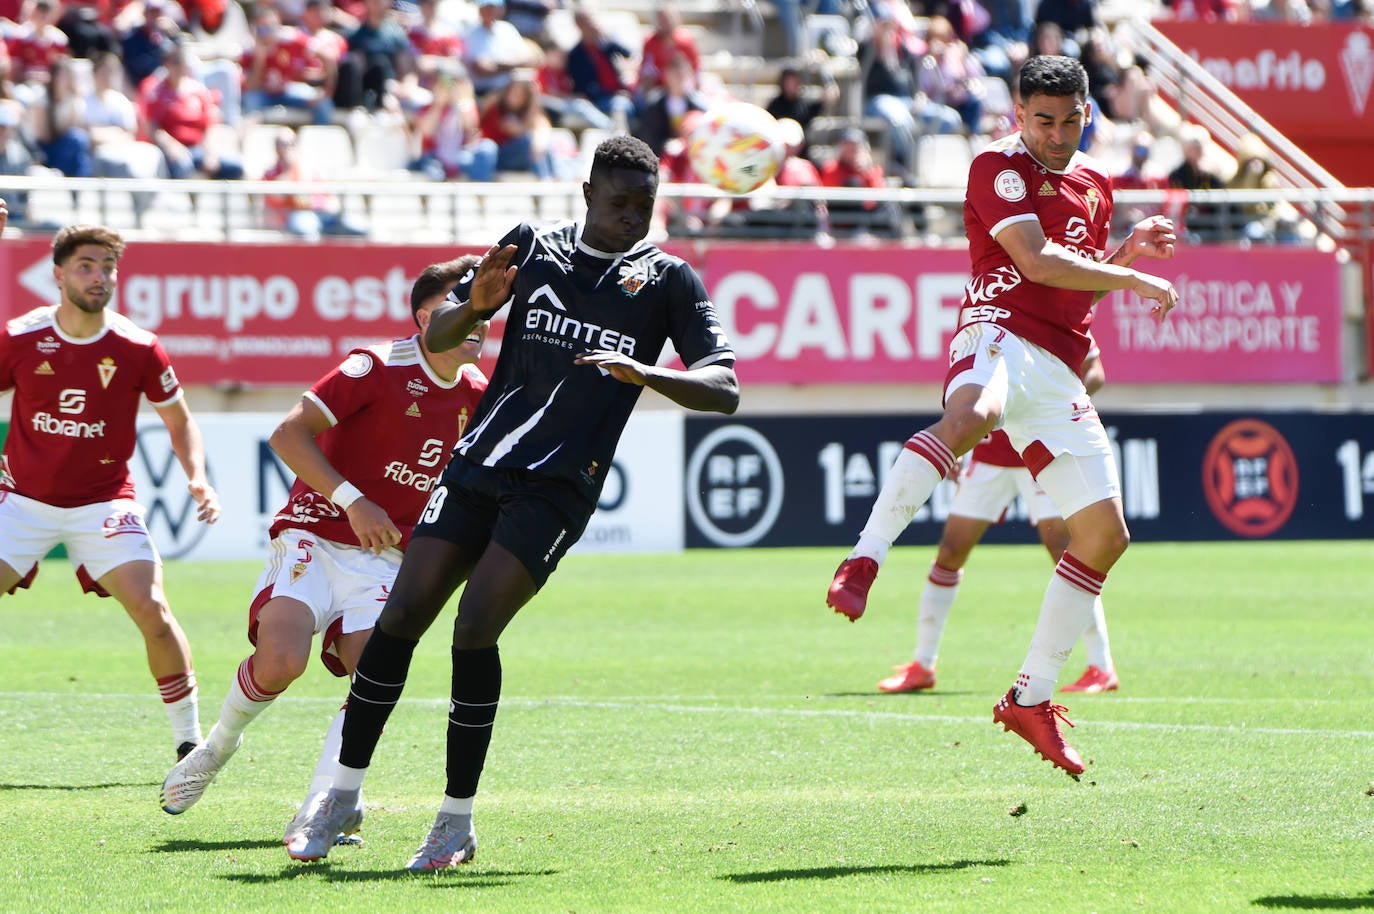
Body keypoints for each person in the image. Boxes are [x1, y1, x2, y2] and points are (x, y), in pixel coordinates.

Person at [285, 134, 739, 868]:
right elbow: (441, 329)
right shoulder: (531, 248)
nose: (632, 219)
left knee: (472, 629)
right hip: (476, 468)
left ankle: (454, 821)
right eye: (620, 204)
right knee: (401, 617)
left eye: (644, 208)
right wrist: (476, 309)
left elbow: (725, 387)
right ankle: (339, 796)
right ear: (587, 193)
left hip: (558, 488)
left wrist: (645, 372)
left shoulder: (668, 283)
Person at [825, 56, 1178, 778]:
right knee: (973, 415)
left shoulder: (1095, 186)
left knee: (1104, 536)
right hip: (997, 333)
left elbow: (1074, 291)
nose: (1055, 134)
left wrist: (1122, 254)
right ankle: (865, 557)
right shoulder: (997, 166)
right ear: (1019, 114)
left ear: (1089, 114)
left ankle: (1030, 698)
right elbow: (1037, 262)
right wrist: (1137, 273)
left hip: (1055, 364)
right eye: (1042, 119)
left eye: (1069, 119)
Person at [159, 255, 490, 829]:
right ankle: (218, 745)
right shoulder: (374, 366)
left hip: (386, 560)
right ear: (422, 319)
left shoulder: (478, 395)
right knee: (283, 661)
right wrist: (354, 501)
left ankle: (326, 800)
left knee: (373, 672)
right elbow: (287, 434)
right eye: (457, 310)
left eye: (481, 312)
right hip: (314, 533)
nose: (474, 324)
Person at [0, 224, 221, 761]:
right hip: (23, 502)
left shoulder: (138, 346)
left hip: (104, 504)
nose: (99, 277)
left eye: (107, 267)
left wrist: (197, 475)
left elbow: (179, 420)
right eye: (85, 266)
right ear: (57, 275)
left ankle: (189, 741)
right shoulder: (20, 337)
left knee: (153, 610)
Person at [877, 346, 1119, 696]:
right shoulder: (984, 312)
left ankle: (1101, 664)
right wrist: (955, 441)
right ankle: (923, 664)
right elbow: (967, 382)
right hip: (989, 456)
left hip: (1041, 449)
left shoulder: (1050, 305)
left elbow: (1095, 370)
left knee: (1066, 551)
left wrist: (1058, 396)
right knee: (951, 550)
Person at [262, 127, 369, 240]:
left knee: (358, 227)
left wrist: (329, 205)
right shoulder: (270, 175)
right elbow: (279, 199)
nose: (287, 148)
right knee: (306, 228)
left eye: (291, 143)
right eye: (282, 144)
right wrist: (289, 169)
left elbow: (331, 199)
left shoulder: (308, 168)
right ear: (275, 147)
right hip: (296, 216)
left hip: (323, 213)